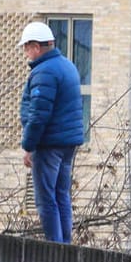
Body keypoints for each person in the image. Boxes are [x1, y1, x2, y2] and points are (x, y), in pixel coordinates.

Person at [19, 20, 85, 243]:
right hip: (68, 144)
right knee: (61, 195)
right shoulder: (67, 65)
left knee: (46, 198)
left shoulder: (44, 72)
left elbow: (39, 114)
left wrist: (29, 146)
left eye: (27, 48)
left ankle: (55, 247)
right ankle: (65, 244)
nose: (26, 53)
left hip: (49, 144)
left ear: (36, 46)